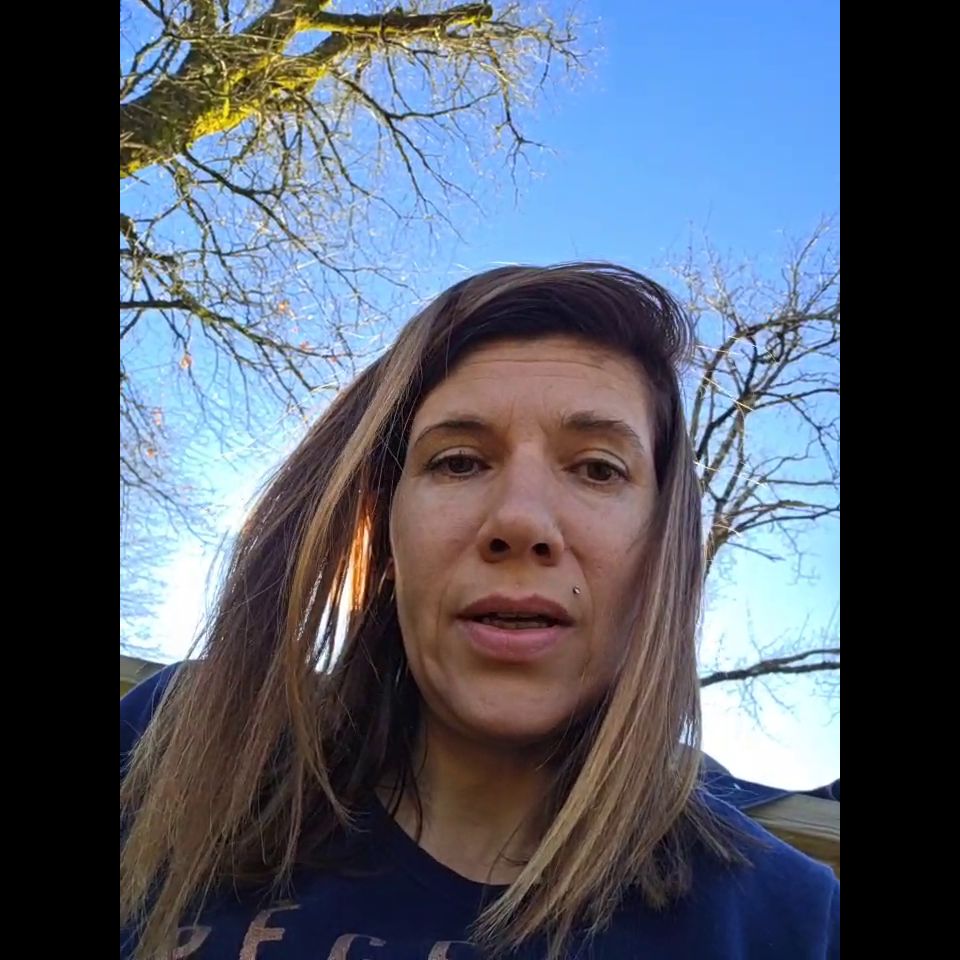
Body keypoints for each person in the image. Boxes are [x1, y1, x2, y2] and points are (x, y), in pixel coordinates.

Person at [121, 263, 840, 959]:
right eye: (458, 461)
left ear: (663, 553)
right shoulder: (179, 740)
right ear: (387, 533)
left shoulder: (794, 925)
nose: (520, 521)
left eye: (598, 468)